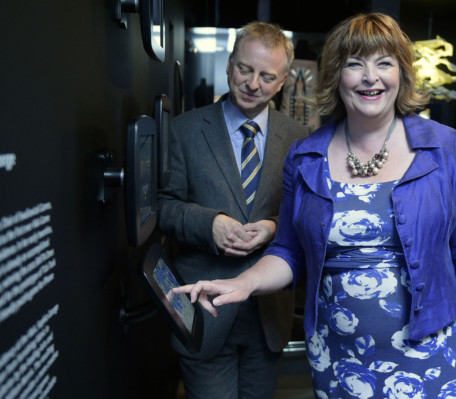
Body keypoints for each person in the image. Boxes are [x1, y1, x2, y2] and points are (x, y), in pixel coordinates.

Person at [174, 13, 456, 399]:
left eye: (384, 63)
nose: (370, 77)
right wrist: (243, 282)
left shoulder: (443, 147)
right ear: (337, 76)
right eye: (355, 64)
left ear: (402, 73)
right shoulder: (305, 155)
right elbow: (289, 252)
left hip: (430, 352)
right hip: (338, 356)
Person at [157, 21, 308, 399]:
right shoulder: (184, 130)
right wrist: (210, 225)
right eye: (244, 69)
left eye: (266, 76)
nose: (252, 84)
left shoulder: (299, 138)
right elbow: (162, 208)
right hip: (204, 308)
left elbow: (305, 215)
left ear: (282, 80)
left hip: (268, 314)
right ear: (228, 64)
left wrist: (274, 227)